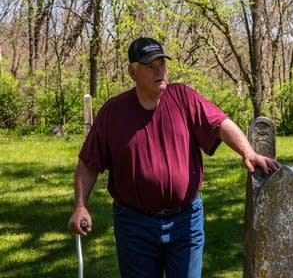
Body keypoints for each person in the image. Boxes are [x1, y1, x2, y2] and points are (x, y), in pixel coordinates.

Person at [67, 37, 280, 278]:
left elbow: (220, 123)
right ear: (132, 71)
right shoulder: (113, 113)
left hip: (185, 221)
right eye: (150, 66)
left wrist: (248, 152)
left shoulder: (183, 97)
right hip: (134, 225)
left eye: (162, 64)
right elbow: (88, 163)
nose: (159, 71)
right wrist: (80, 206)